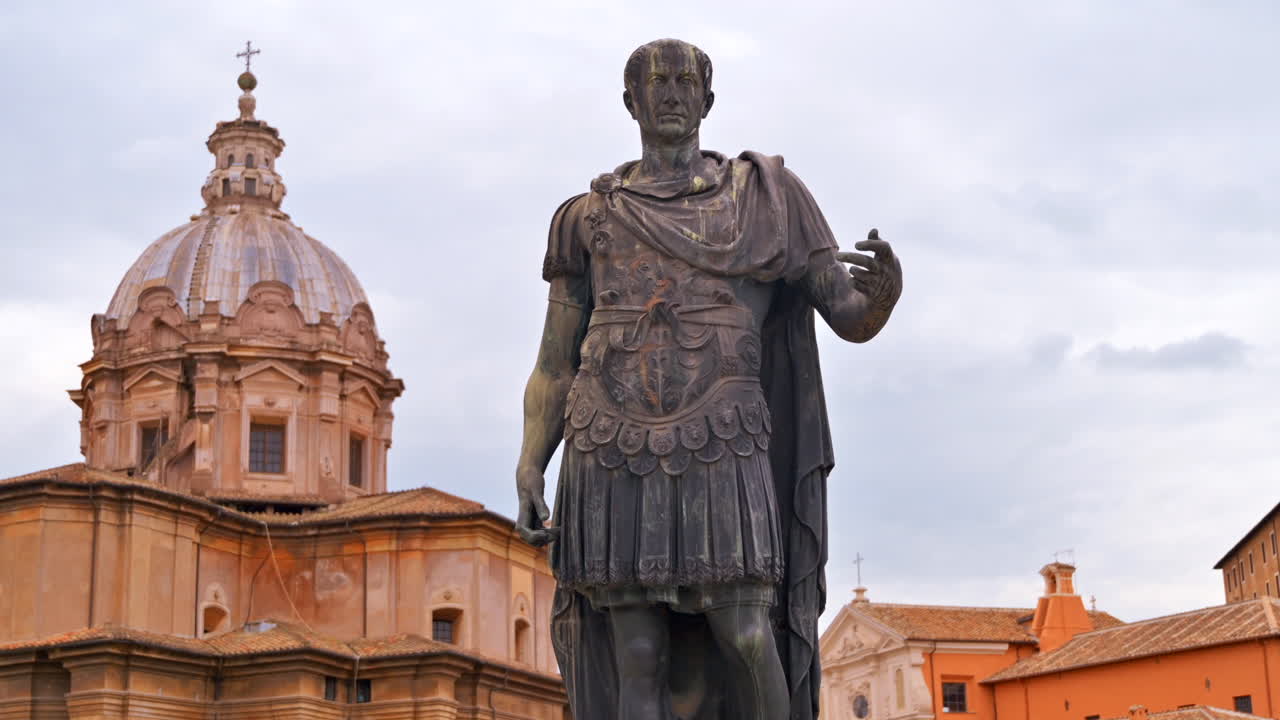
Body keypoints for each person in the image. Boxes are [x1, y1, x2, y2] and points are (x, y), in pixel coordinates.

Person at [515, 38, 902, 720]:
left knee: (747, 632)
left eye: (684, 81)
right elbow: (554, 361)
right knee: (634, 653)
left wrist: (881, 299)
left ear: (708, 100)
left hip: (724, 436)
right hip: (609, 441)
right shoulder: (585, 217)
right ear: (630, 100)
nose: (670, 93)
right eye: (655, 82)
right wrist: (529, 464)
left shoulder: (768, 200)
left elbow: (848, 313)